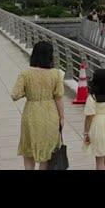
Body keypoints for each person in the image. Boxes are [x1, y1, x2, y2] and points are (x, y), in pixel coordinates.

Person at [11, 41, 65, 170]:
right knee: (46, 153)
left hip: (31, 114)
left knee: (28, 150)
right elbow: (58, 97)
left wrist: (28, 92)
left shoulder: (25, 73)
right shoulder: (56, 74)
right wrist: (62, 117)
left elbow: (15, 95)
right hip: (50, 114)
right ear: (50, 56)